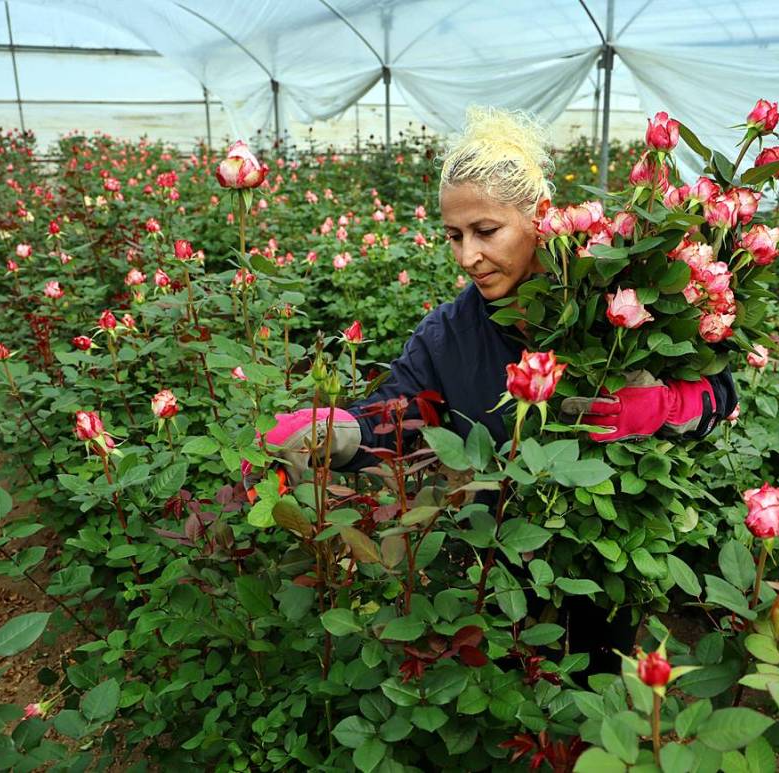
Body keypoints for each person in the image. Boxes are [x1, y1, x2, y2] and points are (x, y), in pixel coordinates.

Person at [260, 106, 737, 677]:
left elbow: (721, 395)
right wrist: (338, 431)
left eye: (486, 231)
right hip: (499, 557)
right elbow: (401, 414)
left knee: (599, 682)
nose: (468, 257)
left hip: (607, 553)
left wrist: (667, 405)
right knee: (508, 678)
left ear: (540, 216)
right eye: (454, 236)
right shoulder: (449, 334)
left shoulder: (620, 299)